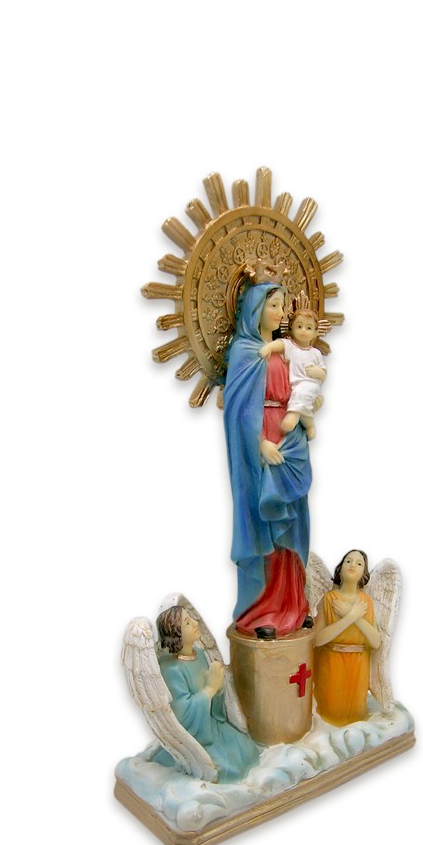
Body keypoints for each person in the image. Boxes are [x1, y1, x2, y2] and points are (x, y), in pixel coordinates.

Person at [222, 280, 313, 637]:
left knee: (292, 520)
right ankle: (263, 610)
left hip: (291, 442)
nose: (280, 312)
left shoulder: (287, 350)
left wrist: (310, 400)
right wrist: (259, 443)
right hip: (261, 446)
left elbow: (301, 386)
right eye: (272, 305)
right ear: (255, 308)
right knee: (266, 522)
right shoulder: (244, 352)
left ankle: (293, 604)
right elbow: (238, 410)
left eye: (282, 305)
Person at [153, 606, 260, 782]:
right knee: (226, 768)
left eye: (191, 619)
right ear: (176, 633)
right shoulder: (171, 670)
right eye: (187, 623)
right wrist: (210, 689)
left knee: (247, 748)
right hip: (195, 736)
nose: (196, 623)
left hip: (211, 724)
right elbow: (182, 714)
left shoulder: (200, 654)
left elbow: (215, 707)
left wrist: (218, 686)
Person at [312, 549, 382, 726]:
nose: (352, 565)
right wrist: (349, 617)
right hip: (332, 664)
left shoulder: (366, 602)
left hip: (359, 666)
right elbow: (317, 639)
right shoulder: (329, 599)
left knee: (355, 715)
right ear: (340, 568)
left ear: (363, 573)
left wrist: (355, 616)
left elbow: (375, 642)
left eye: (359, 563)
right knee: (332, 715)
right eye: (348, 561)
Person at [259, 298, 327, 441]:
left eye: (309, 328)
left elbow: (323, 372)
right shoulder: (291, 346)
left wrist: (318, 372)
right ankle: (309, 425)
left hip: (310, 384)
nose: (303, 331)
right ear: (291, 329)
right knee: (301, 400)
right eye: (299, 326)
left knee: (303, 393)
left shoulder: (316, 353)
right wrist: (268, 348)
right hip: (294, 386)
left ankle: (293, 416)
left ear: (316, 332)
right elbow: (279, 344)